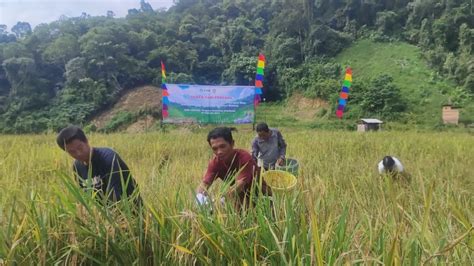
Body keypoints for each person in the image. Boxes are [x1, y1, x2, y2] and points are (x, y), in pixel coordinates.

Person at [56, 126, 141, 204]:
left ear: (86, 141)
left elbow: (117, 195)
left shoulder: (109, 158)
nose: (78, 153)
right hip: (103, 214)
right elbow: (86, 196)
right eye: (72, 152)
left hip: (130, 211)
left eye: (80, 147)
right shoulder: (77, 167)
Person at [196, 127, 272, 210]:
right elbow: (204, 184)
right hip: (240, 196)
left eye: (222, 146)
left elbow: (239, 185)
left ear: (232, 143)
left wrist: (219, 201)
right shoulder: (215, 163)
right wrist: (199, 197)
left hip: (261, 193)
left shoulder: (244, 158)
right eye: (215, 148)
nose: (219, 152)